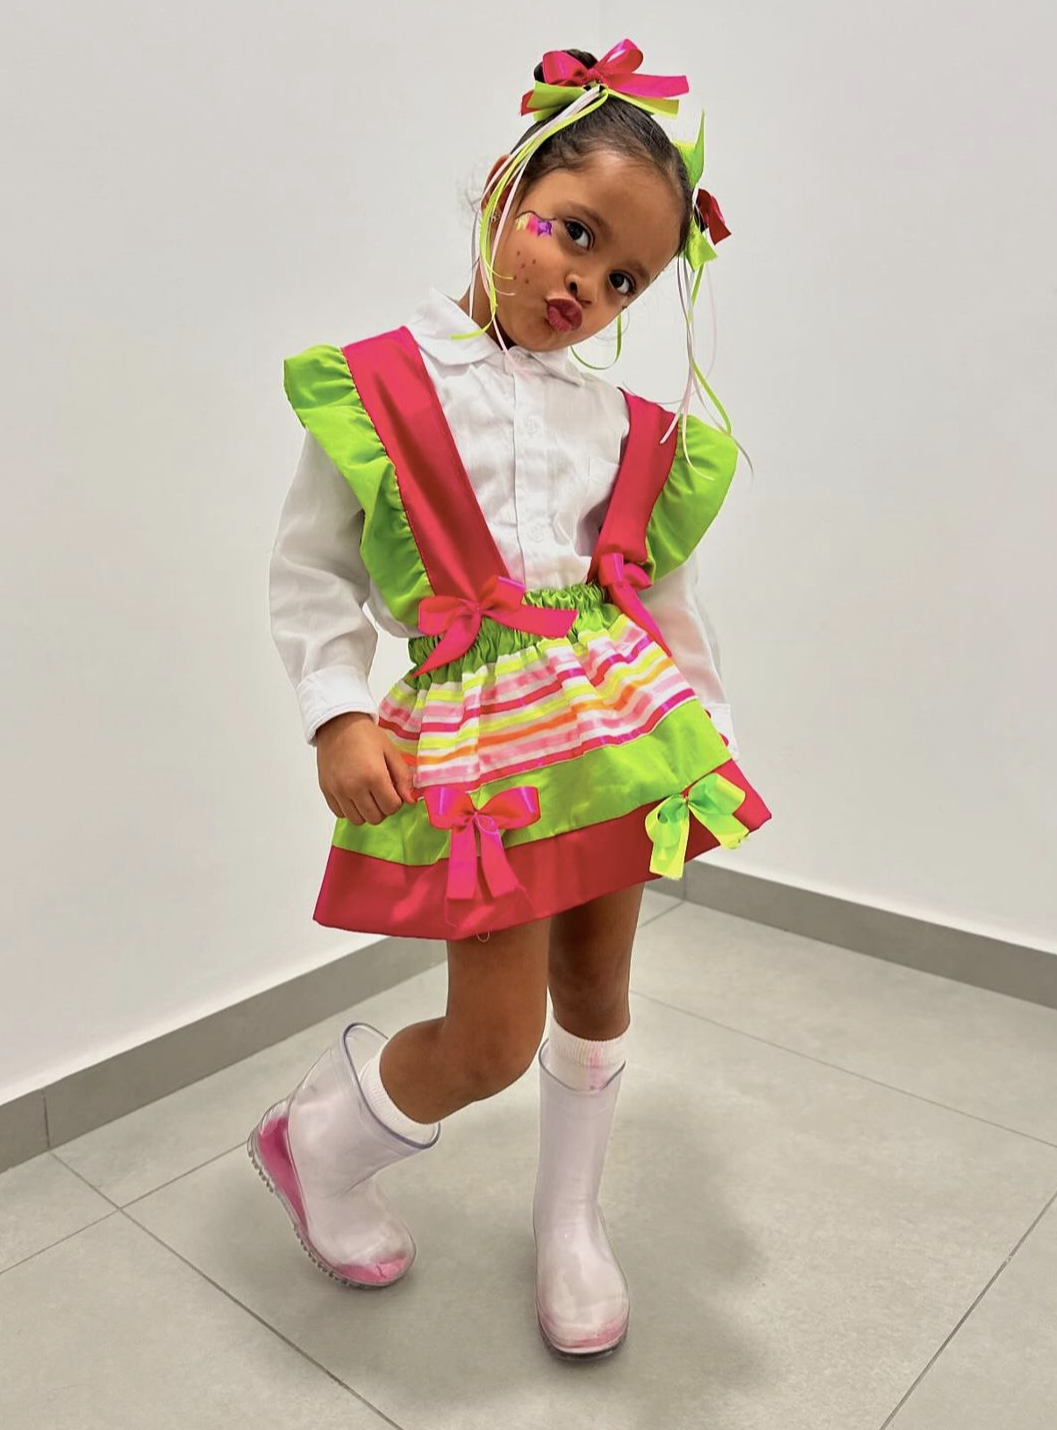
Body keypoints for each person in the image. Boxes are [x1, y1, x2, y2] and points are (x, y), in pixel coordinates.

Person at [250, 40, 771, 1359]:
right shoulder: (379, 385)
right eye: (573, 233)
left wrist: (701, 732)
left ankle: (569, 1219)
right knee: (489, 1037)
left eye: (624, 279)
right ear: (504, 188)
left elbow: (655, 591)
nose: (585, 288)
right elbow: (310, 571)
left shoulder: (620, 423)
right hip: (487, 755)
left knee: (599, 985)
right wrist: (336, 708)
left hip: (615, 729)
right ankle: (318, 1140)